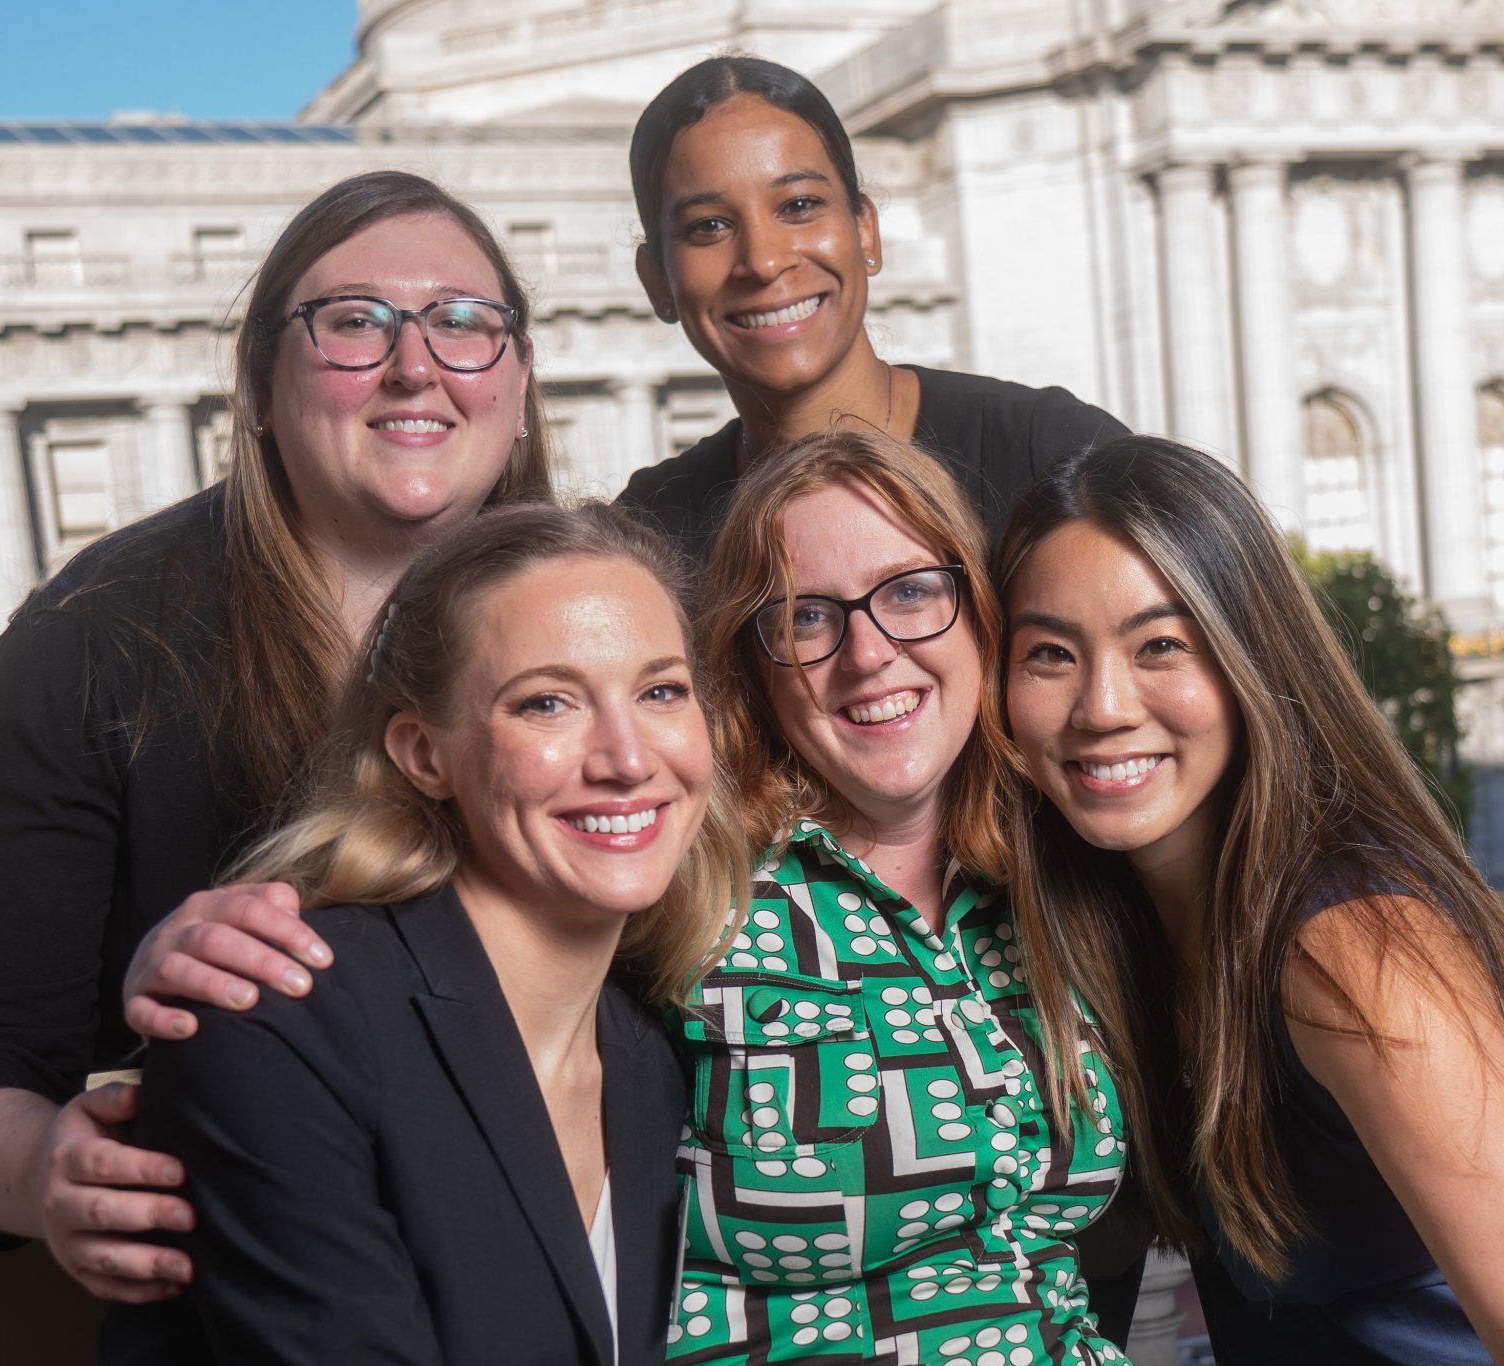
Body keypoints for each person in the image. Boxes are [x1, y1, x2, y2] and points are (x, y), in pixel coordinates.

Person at [0, 169, 554, 1300]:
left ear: (519, 383)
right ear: (259, 387)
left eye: (464, 322)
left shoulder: (608, 612)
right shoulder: (90, 643)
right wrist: (51, 1169)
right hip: (265, 1291)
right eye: (352, 323)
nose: (414, 363)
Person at [994, 436, 1504, 1364]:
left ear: (1251, 662)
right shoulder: (1106, 933)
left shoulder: (1349, 949)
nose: (1102, 705)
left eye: (1162, 646)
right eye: (1051, 653)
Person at [101, 501, 745, 1365]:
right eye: (547, 703)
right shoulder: (273, 1023)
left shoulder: (657, 1061)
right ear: (423, 754)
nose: (628, 759)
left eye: (661, 691)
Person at [667, 429, 1131, 1362]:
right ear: (753, 664)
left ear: (981, 618)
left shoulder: (1053, 876)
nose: (870, 653)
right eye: (805, 617)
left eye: (911, 592)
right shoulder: (681, 892)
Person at [618, 55, 1126, 563]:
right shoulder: (648, 535)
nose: (764, 261)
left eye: (798, 206)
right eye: (708, 226)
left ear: (867, 231)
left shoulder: (1053, 455)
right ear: (657, 280)